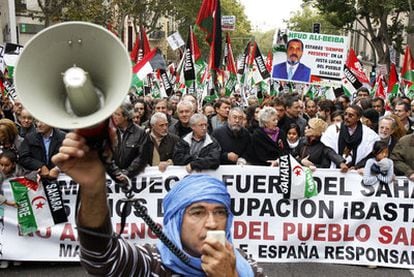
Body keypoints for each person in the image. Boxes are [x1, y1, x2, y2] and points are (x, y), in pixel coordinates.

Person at [51, 137, 265, 276]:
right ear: (176, 220)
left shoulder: (243, 264)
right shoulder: (152, 263)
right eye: (197, 212)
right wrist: (93, 189)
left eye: (220, 212)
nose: (212, 223)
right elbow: (102, 258)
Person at [321, 105, 379, 169]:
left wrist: (357, 167)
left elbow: (370, 155)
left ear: (358, 118)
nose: (346, 117)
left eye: (350, 115)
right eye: (345, 114)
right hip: (336, 170)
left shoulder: (369, 134)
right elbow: (328, 149)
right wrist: (340, 162)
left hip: (356, 172)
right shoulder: (333, 129)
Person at [106, 103, 149, 182]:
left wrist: (127, 173)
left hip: (134, 178)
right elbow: (107, 155)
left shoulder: (140, 133)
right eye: (113, 113)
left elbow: (141, 156)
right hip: (113, 178)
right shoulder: (110, 131)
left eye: (117, 114)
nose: (113, 117)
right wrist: (116, 172)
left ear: (126, 116)